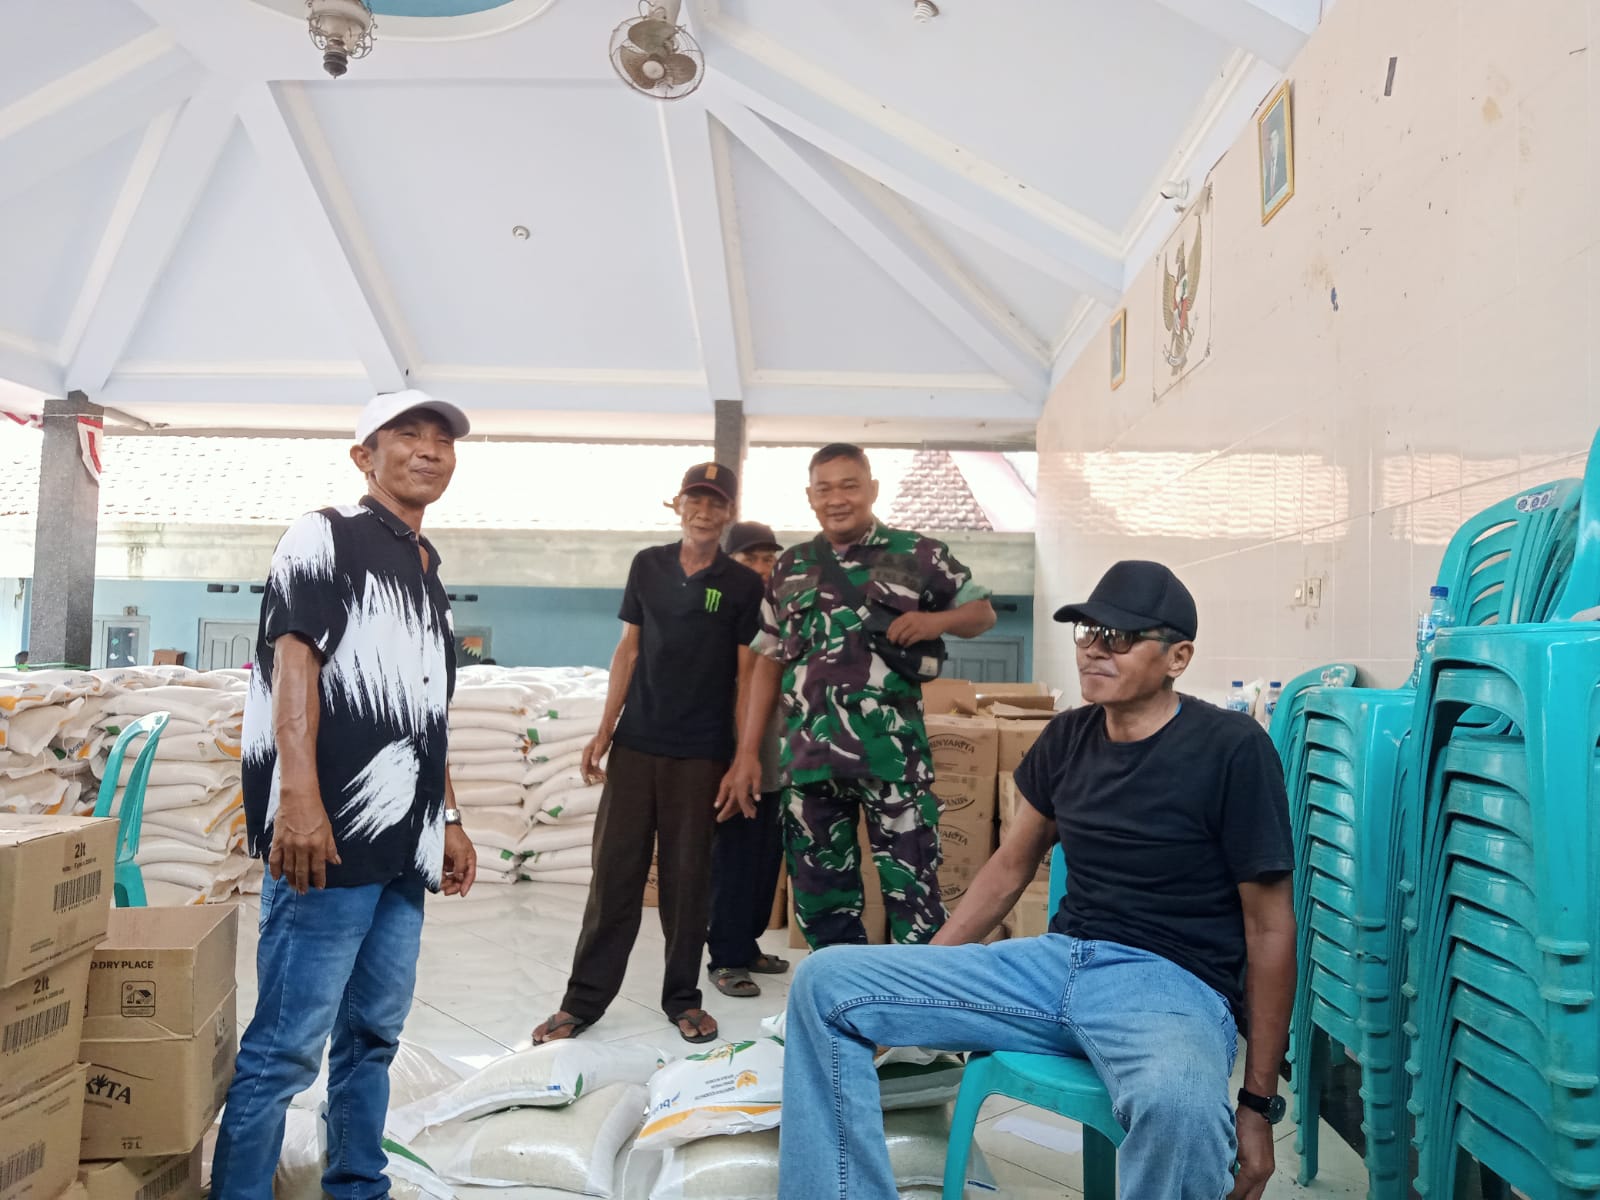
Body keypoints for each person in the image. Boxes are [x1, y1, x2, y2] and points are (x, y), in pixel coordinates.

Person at [777, 561, 1297, 1200]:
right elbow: (1007, 869)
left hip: (1167, 985)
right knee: (825, 983)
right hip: (1051, 966)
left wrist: (1258, 1104)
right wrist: (927, 973)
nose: (1095, 650)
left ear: (1178, 657)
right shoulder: (1068, 736)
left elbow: (1270, 929)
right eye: (1088, 633)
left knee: (1181, 1108)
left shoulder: (1233, 749)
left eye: (1120, 637)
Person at [211, 389, 479, 1200]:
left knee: (372, 1037)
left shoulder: (427, 569)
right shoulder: (324, 534)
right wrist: (298, 798)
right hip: (327, 836)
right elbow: (295, 662)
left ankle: (358, 1183)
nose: (429, 450)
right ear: (365, 456)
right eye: (408, 435)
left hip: (404, 843)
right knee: (285, 1049)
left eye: (442, 440)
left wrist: (450, 818)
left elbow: (424, 710)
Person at [720, 443, 996, 950]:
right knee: (821, 902)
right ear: (810, 496)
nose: (837, 499)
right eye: (824, 489)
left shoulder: (918, 553)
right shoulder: (791, 566)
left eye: (849, 486)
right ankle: (839, 994)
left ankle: (918, 996)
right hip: (809, 762)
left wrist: (935, 621)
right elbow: (768, 661)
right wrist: (747, 755)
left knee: (915, 898)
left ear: (872, 489)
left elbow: (982, 614)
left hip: (892, 758)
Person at [532, 463, 764, 1046]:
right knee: (614, 875)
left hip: (702, 753)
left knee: (688, 883)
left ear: (729, 513)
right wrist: (605, 729)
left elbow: (747, 675)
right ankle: (582, 1001)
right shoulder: (648, 565)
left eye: (715, 503)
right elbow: (628, 650)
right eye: (695, 499)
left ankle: (683, 999)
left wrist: (742, 758)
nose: (703, 512)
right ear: (677, 504)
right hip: (637, 744)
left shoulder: (742, 584)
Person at [706, 520, 790, 999]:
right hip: (736, 753)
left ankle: (747, 943)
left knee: (765, 857)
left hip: (776, 753)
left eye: (768, 559)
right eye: (749, 558)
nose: (761, 567)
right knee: (734, 857)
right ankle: (726, 957)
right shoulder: (720, 607)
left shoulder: (781, 609)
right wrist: (736, 756)